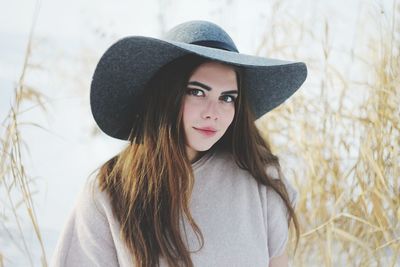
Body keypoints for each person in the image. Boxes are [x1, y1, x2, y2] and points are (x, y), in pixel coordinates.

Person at [51, 20, 307, 267]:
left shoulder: (260, 178)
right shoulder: (109, 192)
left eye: (227, 98)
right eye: (197, 92)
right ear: (167, 95)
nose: (213, 112)